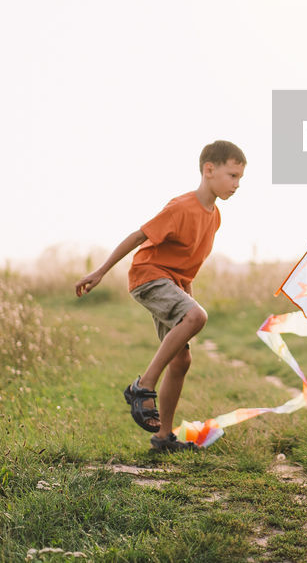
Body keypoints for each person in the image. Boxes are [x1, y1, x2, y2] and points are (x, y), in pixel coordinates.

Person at [74, 140, 247, 452]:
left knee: (182, 360)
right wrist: (100, 271)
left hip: (172, 284)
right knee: (198, 316)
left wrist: (188, 300)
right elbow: (139, 235)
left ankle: (163, 438)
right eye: (232, 175)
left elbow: (187, 267)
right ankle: (142, 386)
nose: (237, 184)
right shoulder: (182, 207)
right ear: (209, 170)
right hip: (148, 276)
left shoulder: (214, 217)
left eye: (240, 178)